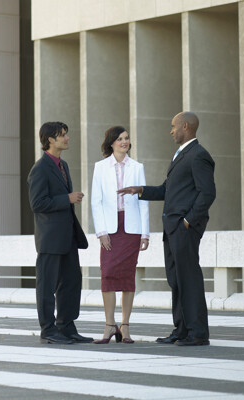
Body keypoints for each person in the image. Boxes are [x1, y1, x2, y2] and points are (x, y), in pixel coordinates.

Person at [117, 111, 215, 346]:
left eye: (173, 126)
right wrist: (140, 190)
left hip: (184, 227)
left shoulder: (199, 155)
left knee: (188, 278)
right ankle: (181, 330)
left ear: (185, 127)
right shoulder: (181, 154)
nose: (171, 131)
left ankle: (197, 333)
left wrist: (189, 220)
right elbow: (167, 190)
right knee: (176, 279)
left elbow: (207, 192)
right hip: (172, 228)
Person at [27, 121, 92, 345]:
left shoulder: (62, 166)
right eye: (62, 135)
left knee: (72, 282)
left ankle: (66, 326)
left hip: (68, 237)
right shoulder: (40, 168)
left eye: (66, 134)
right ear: (50, 140)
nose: (67, 138)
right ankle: (48, 329)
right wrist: (68, 198)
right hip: (50, 239)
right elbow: (37, 203)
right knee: (46, 286)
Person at [90, 126, 150, 344]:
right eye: (120, 139)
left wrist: (145, 233)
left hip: (131, 228)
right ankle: (109, 325)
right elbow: (96, 201)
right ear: (111, 142)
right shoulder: (100, 167)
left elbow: (143, 201)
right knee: (107, 274)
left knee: (127, 276)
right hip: (110, 228)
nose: (124, 142)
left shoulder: (137, 167)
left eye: (126, 138)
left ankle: (125, 326)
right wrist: (101, 231)